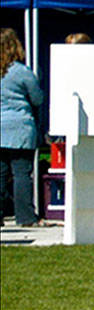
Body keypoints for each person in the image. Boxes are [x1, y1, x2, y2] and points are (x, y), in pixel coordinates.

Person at [0, 28, 45, 227]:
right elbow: (37, 98)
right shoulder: (22, 72)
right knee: (21, 174)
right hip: (20, 127)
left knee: (0, 174)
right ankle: (25, 217)